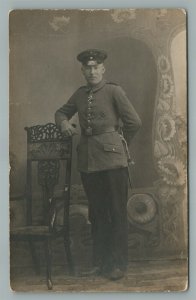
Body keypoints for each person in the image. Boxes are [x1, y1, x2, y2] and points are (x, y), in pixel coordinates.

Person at [55, 49, 141, 280]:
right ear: (83, 71)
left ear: (103, 69)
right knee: (98, 213)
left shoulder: (114, 90)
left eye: (96, 67)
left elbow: (134, 122)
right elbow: (61, 112)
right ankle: (100, 263)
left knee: (116, 212)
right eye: (88, 68)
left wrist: (119, 144)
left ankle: (118, 265)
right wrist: (64, 124)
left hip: (113, 161)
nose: (92, 71)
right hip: (89, 161)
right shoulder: (80, 94)